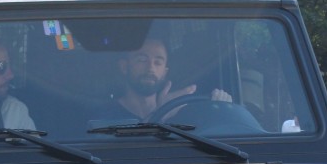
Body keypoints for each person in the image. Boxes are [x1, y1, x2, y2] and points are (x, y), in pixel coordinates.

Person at [92, 38, 228, 124]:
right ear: (124, 66)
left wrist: (223, 109)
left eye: (158, 62)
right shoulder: (103, 115)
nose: (151, 68)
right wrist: (159, 114)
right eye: (142, 60)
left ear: (165, 72)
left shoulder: (180, 113)